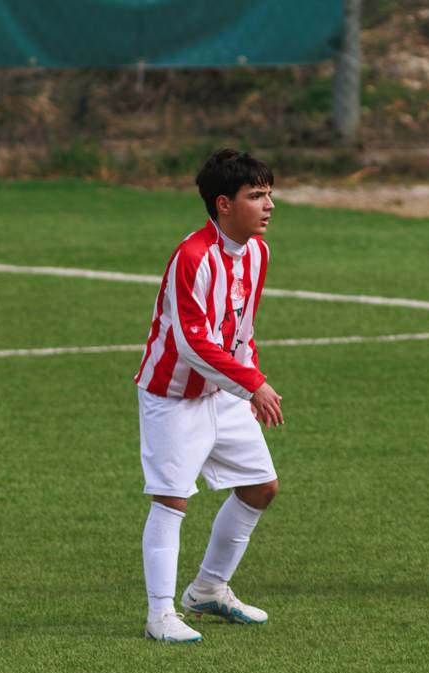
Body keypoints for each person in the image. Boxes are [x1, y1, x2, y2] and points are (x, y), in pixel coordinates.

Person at [134, 149, 284, 643]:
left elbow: (241, 330)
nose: (269, 205)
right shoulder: (193, 257)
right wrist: (254, 384)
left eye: (268, 194)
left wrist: (248, 381)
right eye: (256, 195)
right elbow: (192, 343)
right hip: (173, 394)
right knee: (171, 499)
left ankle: (208, 589)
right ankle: (160, 614)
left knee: (260, 487)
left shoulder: (258, 253)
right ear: (223, 203)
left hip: (224, 392)